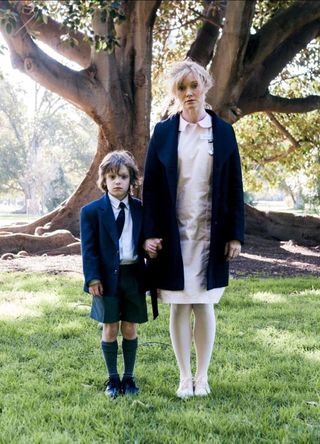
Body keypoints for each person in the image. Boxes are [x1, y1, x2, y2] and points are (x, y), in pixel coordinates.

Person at [143, 60, 244, 398]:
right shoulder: (163, 133)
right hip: (174, 234)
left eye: (193, 86)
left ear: (204, 87)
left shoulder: (225, 133)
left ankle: (203, 377)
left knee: (204, 304)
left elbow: (233, 187)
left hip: (210, 233)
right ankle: (184, 377)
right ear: (176, 93)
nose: (188, 93)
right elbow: (153, 188)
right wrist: (150, 233)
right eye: (181, 88)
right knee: (179, 304)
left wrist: (235, 235)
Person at [80, 150, 148, 399]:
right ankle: (112, 379)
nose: (117, 181)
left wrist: (149, 247)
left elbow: (145, 241)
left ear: (131, 180)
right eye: (112, 177)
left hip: (133, 276)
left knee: (130, 327)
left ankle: (129, 378)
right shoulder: (91, 212)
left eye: (122, 176)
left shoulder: (141, 209)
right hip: (105, 279)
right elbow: (88, 249)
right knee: (109, 327)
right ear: (104, 181)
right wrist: (93, 279)